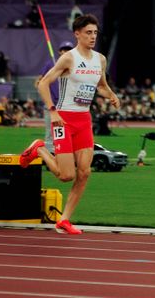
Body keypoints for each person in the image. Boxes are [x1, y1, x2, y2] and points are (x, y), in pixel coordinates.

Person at [24, 14, 121, 235]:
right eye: (88, 32)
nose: (92, 36)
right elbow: (43, 84)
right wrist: (52, 110)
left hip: (84, 120)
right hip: (64, 119)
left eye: (95, 32)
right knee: (66, 175)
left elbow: (101, 86)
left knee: (85, 172)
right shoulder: (69, 58)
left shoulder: (100, 59)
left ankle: (64, 220)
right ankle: (38, 148)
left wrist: (111, 95)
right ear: (77, 34)